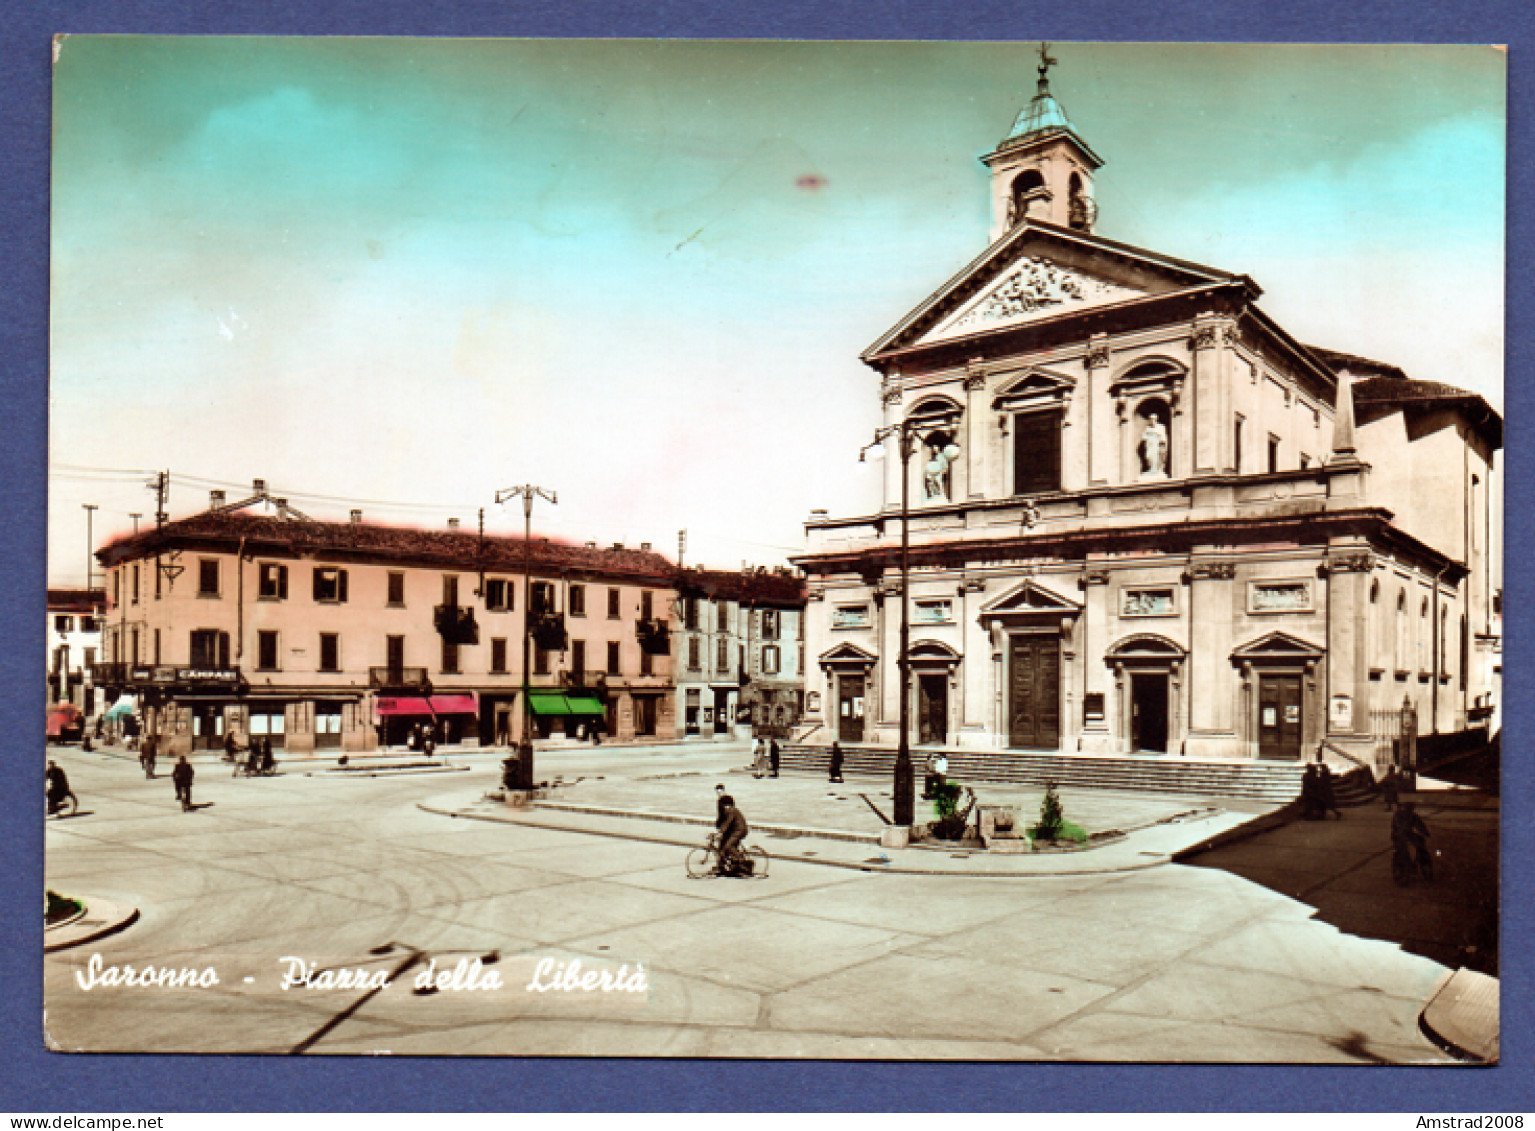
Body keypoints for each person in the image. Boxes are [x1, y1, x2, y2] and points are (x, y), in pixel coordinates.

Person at [1391, 802, 1431, 877]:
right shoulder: (1397, 815)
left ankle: (1422, 861)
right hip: (1398, 835)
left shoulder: (1413, 816)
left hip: (1408, 834)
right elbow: (1398, 826)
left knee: (1420, 842)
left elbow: (1420, 825)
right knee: (1402, 849)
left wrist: (1425, 833)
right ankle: (1404, 866)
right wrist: (1404, 828)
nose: (1408, 811)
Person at [715, 794, 750, 876]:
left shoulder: (732, 811)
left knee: (728, 846)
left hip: (739, 831)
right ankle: (722, 867)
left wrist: (720, 833)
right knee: (722, 846)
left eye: (723, 805)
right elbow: (722, 823)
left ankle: (742, 862)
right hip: (733, 831)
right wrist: (718, 832)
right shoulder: (727, 811)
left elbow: (727, 824)